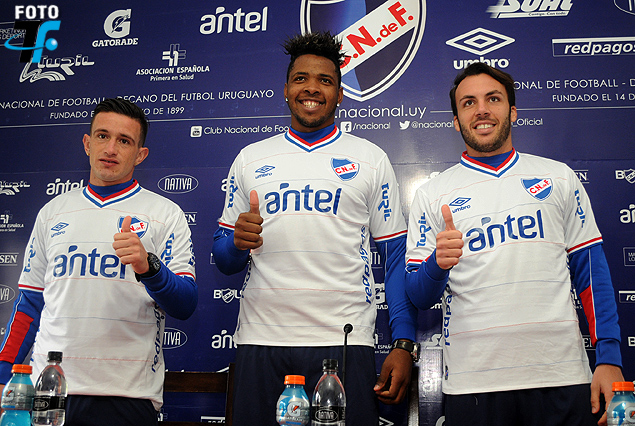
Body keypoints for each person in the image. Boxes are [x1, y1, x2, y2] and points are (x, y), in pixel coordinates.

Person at [212, 32, 418, 426]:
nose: (311, 88)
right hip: (262, 337)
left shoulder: (370, 159)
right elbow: (224, 259)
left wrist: (403, 342)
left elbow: (395, 258)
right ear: (286, 90)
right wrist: (237, 243)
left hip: (343, 339)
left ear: (340, 94)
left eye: (325, 80)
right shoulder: (250, 158)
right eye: (301, 78)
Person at [405, 62, 623, 426]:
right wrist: (437, 265)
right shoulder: (431, 195)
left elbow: (592, 274)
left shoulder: (558, 177)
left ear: (513, 111)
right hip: (474, 384)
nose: (482, 110)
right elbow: (418, 295)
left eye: (493, 99)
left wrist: (610, 357)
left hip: (561, 376)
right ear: (456, 121)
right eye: (469, 103)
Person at [0, 98, 197, 426]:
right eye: (103, 136)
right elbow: (30, 304)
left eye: (124, 141)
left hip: (128, 394)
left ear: (140, 154)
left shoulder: (165, 214)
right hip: (50, 388)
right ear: (87, 143)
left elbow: (186, 303)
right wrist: (3, 373)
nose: (111, 148)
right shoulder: (52, 213)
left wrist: (149, 267)